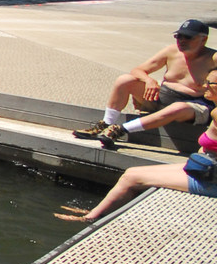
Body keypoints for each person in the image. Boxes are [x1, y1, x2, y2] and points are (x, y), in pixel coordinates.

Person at [60, 73, 217, 223]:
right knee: (130, 172)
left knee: (131, 178)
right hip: (204, 168)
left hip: (210, 180)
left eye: (209, 83)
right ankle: (96, 212)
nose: (204, 86)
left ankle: (89, 219)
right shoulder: (215, 111)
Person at [72, 19, 216, 148]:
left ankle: (120, 130)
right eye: (178, 36)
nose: (181, 40)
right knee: (124, 80)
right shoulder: (171, 51)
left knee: (178, 107)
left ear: (203, 39)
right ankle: (106, 125)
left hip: (194, 106)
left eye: (188, 37)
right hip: (163, 97)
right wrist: (149, 80)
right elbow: (138, 70)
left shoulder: (213, 58)